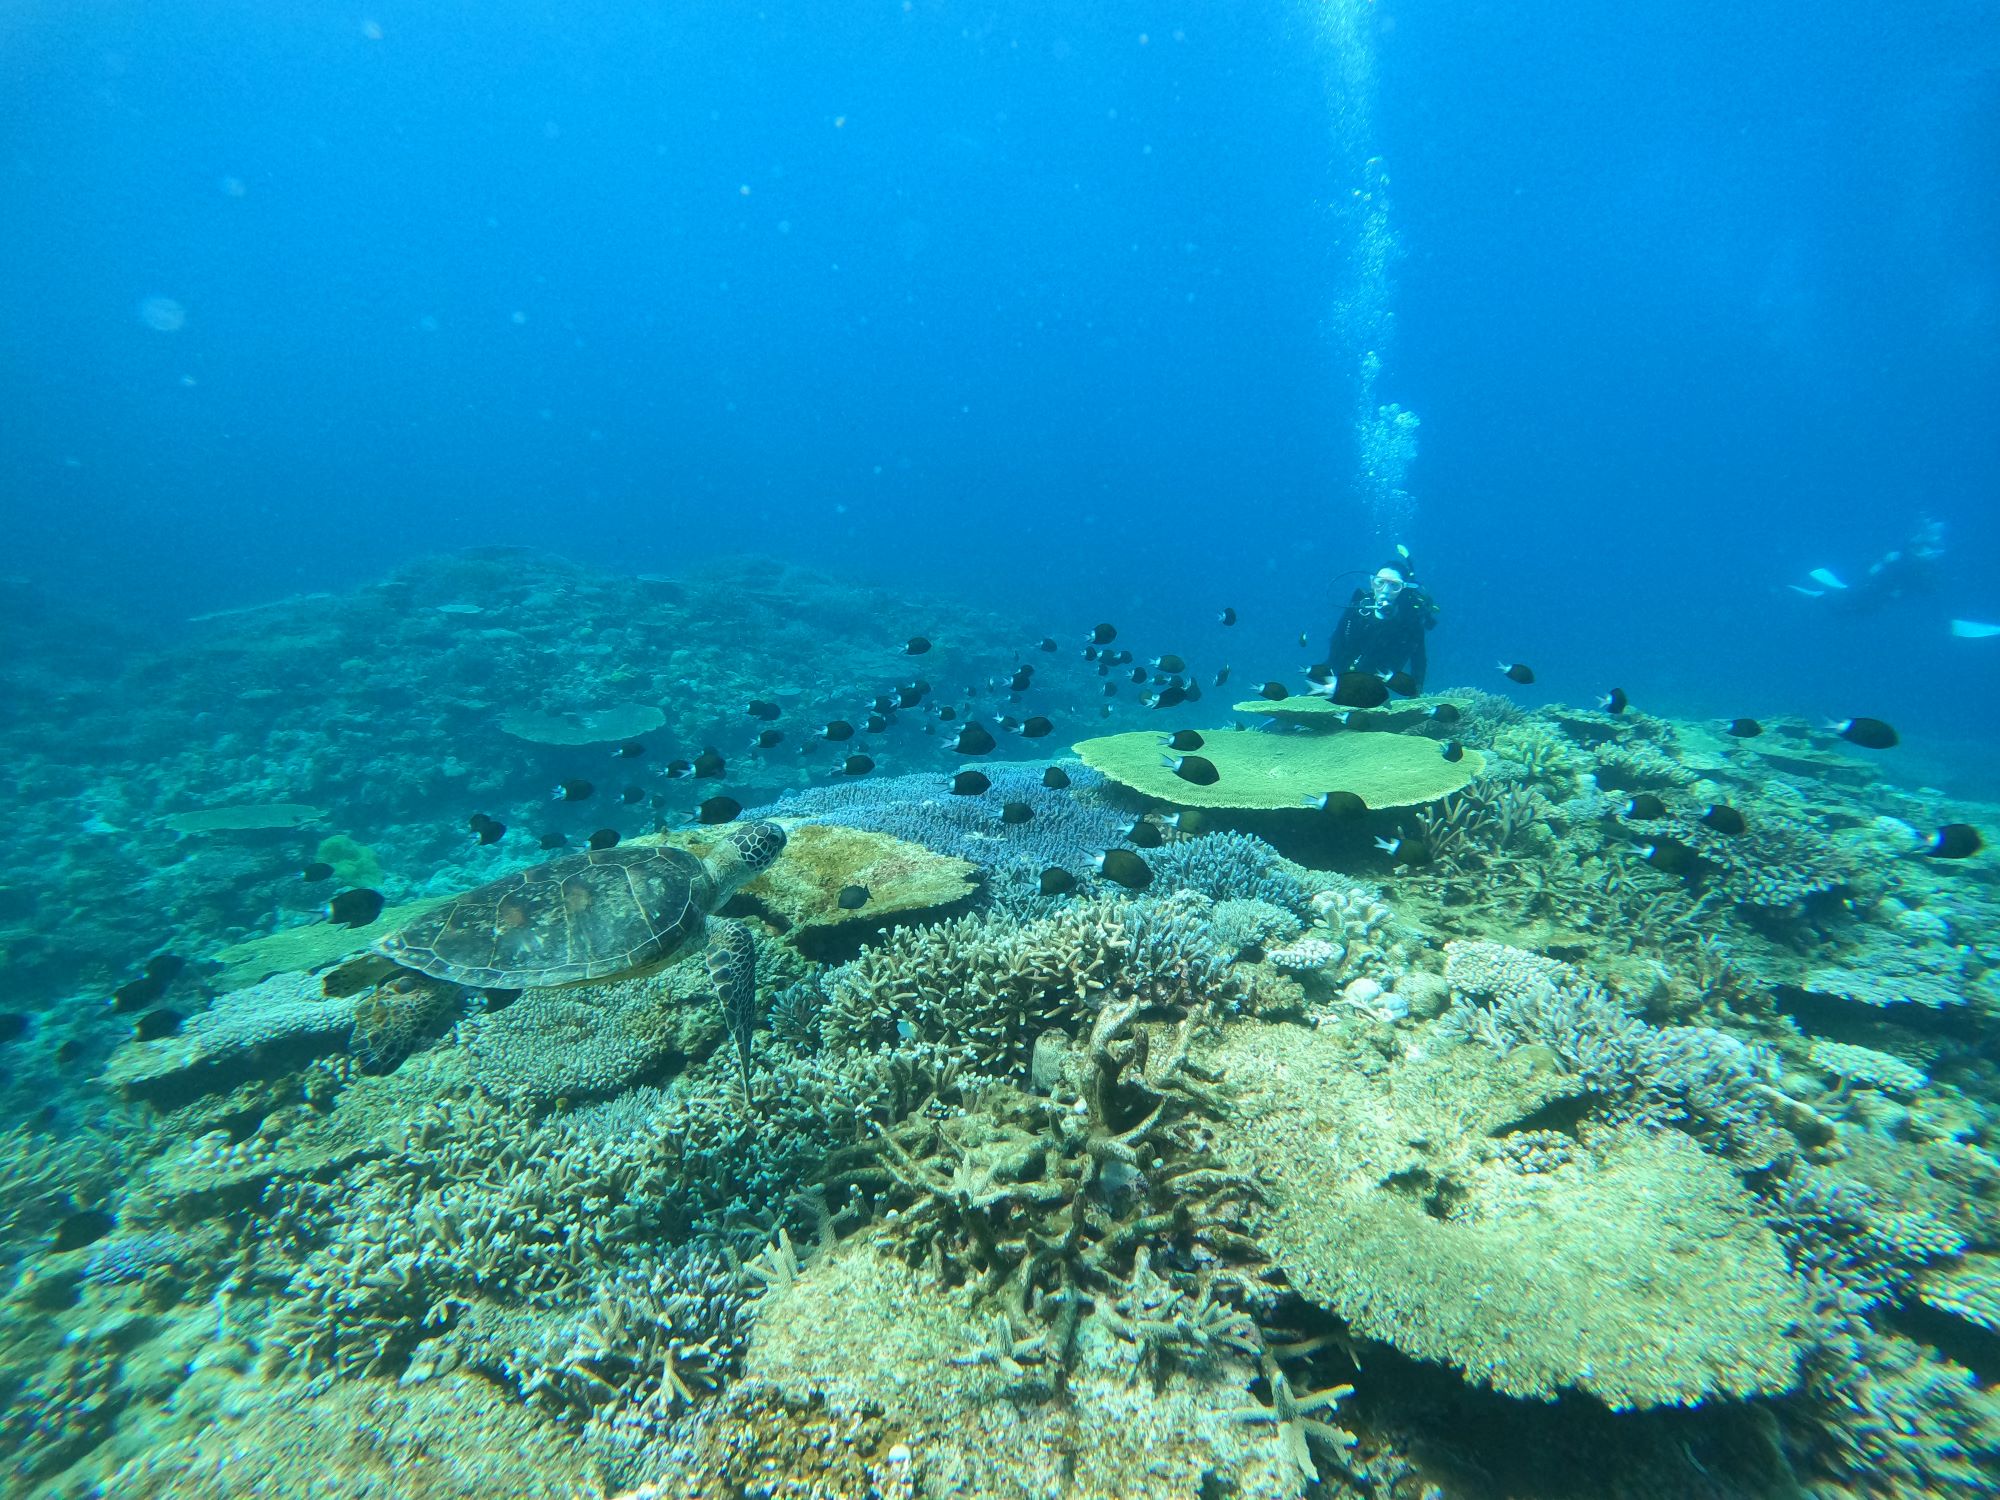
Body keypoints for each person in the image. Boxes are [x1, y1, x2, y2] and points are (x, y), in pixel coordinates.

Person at [1792, 518, 1946, 617]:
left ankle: (1822, 594)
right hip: (1880, 585)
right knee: (1852, 606)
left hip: (1886, 590)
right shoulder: (1910, 553)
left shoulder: (1924, 559)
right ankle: (1820, 595)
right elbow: (1903, 566)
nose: (1931, 551)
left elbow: (1927, 588)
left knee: (1859, 608)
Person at [1327, 560, 1438, 690]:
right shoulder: (1360, 606)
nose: (1385, 591)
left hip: (1383, 680)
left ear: (1403, 589)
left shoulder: (1411, 617)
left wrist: (1416, 688)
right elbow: (1338, 641)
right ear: (1372, 582)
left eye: (1394, 586)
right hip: (1345, 672)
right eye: (1380, 583)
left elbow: (1419, 658)